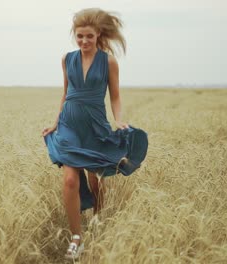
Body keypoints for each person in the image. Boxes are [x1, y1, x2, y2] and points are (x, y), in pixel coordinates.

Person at [42, 8, 148, 260]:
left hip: (96, 125)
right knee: (69, 180)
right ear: (75, 36)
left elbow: (115, 96)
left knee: (96, 181)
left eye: (89, 36)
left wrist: (119, 119)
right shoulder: (67, 59)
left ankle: (98, 218)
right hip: (70, 123)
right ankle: (76, 237)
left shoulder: (109, 61)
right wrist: (56, 122)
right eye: (79, 36)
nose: (84, 41)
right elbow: (66, 93)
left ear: (98, 34)